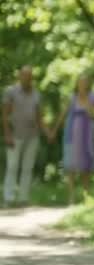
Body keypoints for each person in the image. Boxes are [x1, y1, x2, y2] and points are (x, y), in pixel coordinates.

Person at [2, 65, 53, 207]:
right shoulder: (11, 92)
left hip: (32, 135)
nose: (27, 79)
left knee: (27, 167)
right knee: (12, 166)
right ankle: (8, 198)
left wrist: (47, 132)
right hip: (15, 134)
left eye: (30, 76)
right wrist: (7, 134)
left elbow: (39, 117)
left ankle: (23, 198)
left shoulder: (36, 94)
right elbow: (5, 115)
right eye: (25, 76)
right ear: (20, 77)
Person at [52, 74, 94, 203]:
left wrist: (86, 99)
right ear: (77, 84)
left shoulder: (92, 98)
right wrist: (54, 130)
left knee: (86, 166)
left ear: (88, 84)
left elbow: (92, 114)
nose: (82, 85)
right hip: (72, 134)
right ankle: (71, 197)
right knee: (70, 165)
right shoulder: (72, 98)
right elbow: (63, 114)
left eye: (85, 83)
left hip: (86, 135)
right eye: (80, 83)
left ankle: (86, 196)